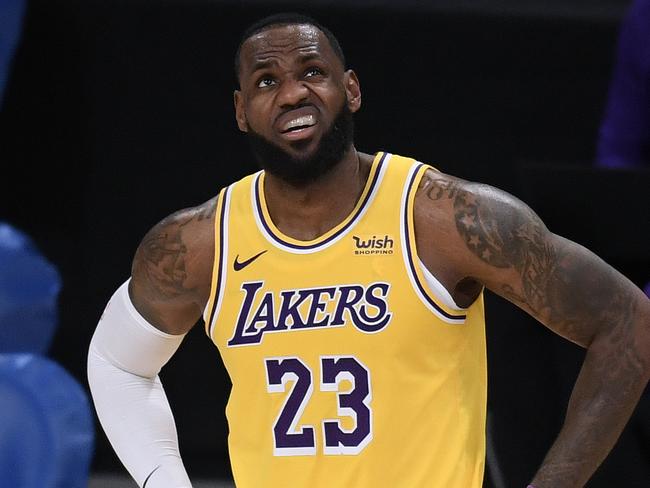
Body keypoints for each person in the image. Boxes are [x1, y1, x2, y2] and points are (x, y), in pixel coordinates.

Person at [87, 13, 650, 488]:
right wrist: (163, 477)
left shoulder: (443, 219)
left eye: (312, 72)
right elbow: (116, 364)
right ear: (239, 111)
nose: (291, 93)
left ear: (350, 89)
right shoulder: (200, 243)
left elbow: (628, 319)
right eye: (265, 81)